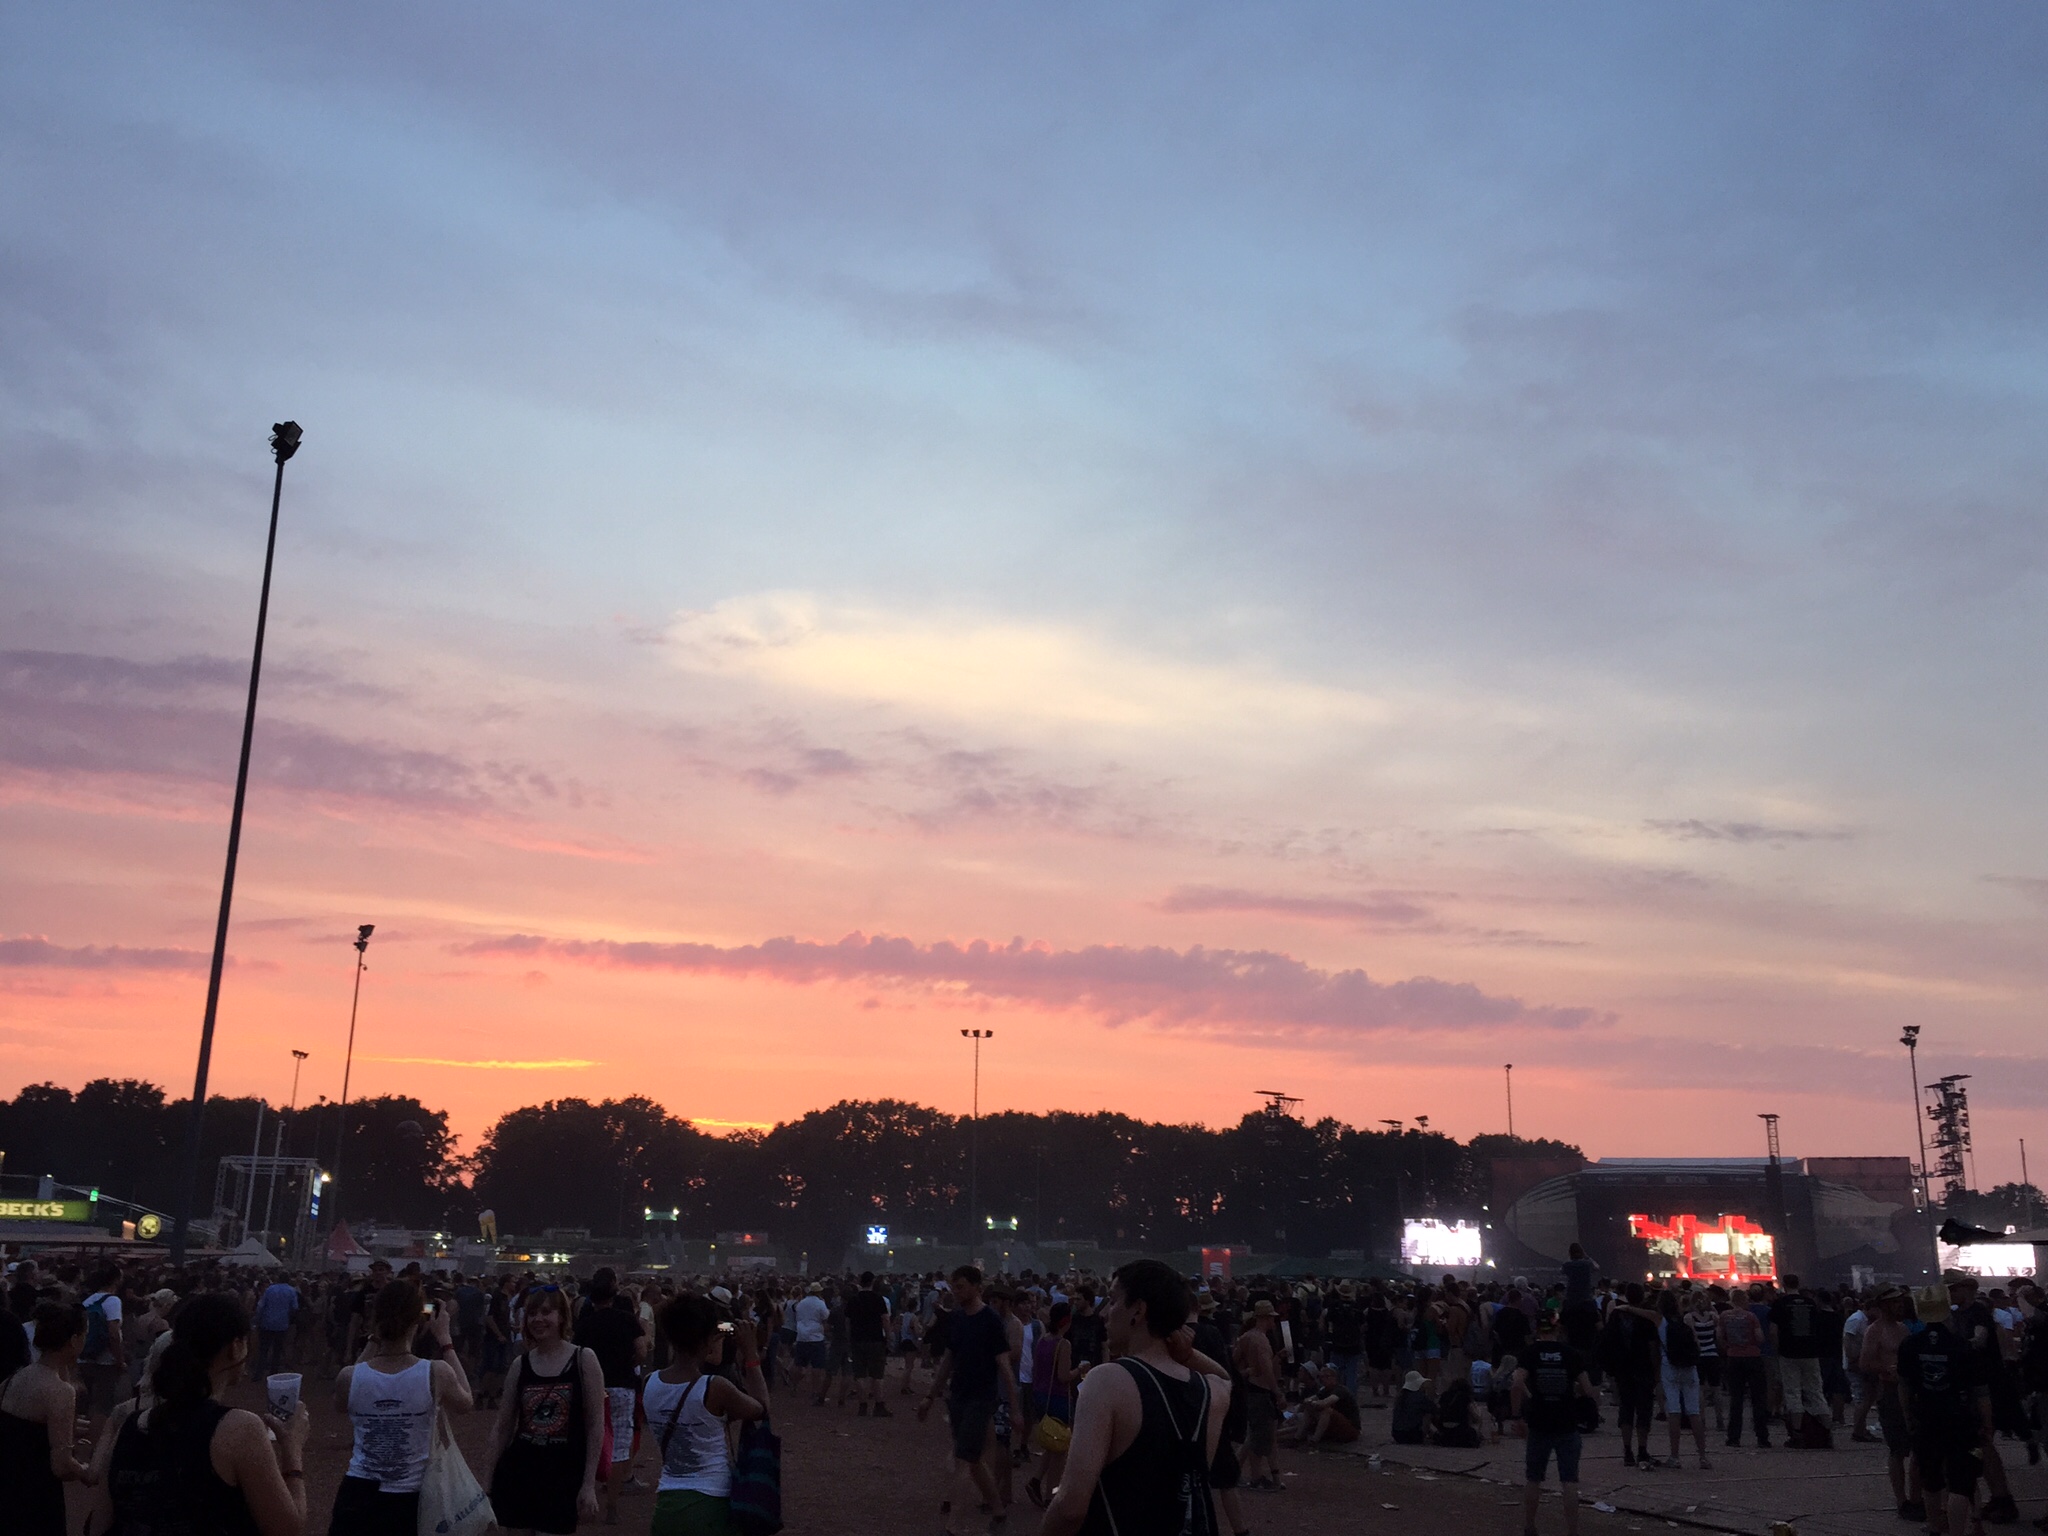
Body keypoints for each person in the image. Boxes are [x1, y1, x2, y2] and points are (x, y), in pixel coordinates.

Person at [85, 1290, 311, 1536]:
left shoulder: (130, 1427)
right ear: (236, 1347)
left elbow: (97, 1526)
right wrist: (292, 1451)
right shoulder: (239, 1428)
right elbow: (287, 1530)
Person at [1040, 1258, 1224, 1536]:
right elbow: (1225, 1378)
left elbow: (1070, 1507)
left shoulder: (1106, 1381)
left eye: (1113, 1301)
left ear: (1138, 1310)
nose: (1105, 1313)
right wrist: (1187, 1356)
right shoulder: (1210, 1391)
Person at [330, 1277, 473, 1534]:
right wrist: (446, 1341)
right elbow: (466, 1403)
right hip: (410, 1496)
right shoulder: (436, 1372)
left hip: (357, 1493)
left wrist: (375, 1337)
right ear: (418, 1320)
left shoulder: (348, 1377)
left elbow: (344, 1401)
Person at [642, 1294, 768, 1536]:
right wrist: (751, 1353)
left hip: (668, 1502)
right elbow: (761, 1408)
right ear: (708, 1339)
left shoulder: (650, 1382)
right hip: (711, 1501)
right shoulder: (715, 1387)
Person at [489, 1284, 607, 1534]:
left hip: (563, 1476)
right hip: (519, 1472)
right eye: (532, 1313)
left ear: (562, 1316)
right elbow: (502, 1427)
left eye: (546, 1312)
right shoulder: (520, 1365)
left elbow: (596, 1424)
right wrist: (487, 1482)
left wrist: (588, 1484)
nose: (538, 1320)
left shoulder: (584, 1359)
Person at [917, 1264, 1026, 1536]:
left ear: (977, 1287)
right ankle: (999, 1513)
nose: (956, 1291)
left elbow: (1004, 1366)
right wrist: (930, 1396)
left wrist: (1015, 1408)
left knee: (964, 1458)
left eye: (961, 1286)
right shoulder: (957, 1318)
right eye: (954, 1287)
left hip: (981, 1397)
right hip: (959, 1396)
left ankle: (954, 1524)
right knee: (973, 1459)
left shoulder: (990, 1320)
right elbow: (948, 1360)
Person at [1897, 1284, 1991, 1536]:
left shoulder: (1910, 1344)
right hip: (1960, 1419)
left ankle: (1935, 1528)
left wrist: (1908, 1416)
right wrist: (1987, 1423)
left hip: (1925, 1417)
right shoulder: (1963, 1346)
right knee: (1960, 1483)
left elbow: (1904, 1386)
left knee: (1931, 1479)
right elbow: (1980, 1392)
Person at [2, 1301, 95, 1535]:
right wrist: (85, 1471)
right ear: (74, 1340)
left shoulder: (13, 1379)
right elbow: (61, 1465)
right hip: (35, 1495)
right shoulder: (59, 1391)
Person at [573, 1268, 648, 1524]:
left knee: (587, 1440)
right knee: (619, 1446)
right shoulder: (626, 1319)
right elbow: (641, 1350)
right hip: (622, 1386)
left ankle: (586, 1495)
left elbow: (577, 1356)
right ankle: (612, 1506)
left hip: (592, 1387)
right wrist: (628, 1364)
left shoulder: (585, 1324)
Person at [1514, 1312, 1595, 1536]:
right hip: (1566, 1421)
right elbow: (1588, 1389)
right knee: (1569, 1480)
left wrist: (1518, 1413)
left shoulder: (1530, 1353)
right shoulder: (1571, 1354)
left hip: (1539, 1421)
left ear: (1537, 1330)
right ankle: (1572, 1531)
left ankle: (1530, 1525)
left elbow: (1517, 1382)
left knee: (1534, 1478)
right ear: (1558, 1329)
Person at [1601, 1283, 1661, 1468]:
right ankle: (1642, 1450)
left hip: (1622, 1367)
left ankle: (1627, 1451)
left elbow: (1608, 1340)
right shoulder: (1646, 1317)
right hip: (1643, 1366)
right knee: (1644, 1410)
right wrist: (1656, 1371)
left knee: (1626, 1408)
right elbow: (1653, 1346)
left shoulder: (1616, 1315)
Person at [1767, 1275, 1829, 1448]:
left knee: (1793, 1392)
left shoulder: (1780, 1304)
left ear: (1784, 1285)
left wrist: (1777, 1350)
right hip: (1810, 1352)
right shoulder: (1810, 1303)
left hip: (1789, 1352)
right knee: (1815, 1391)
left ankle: (1797, 1433)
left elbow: (1773, 1331)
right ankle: (1825, 1431)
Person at [1657, 1291, 1710, 1469]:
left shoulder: (1660, 1321)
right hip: (1689, 1367)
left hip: (1669, 1366)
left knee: (1674, 1411)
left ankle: (1675, 1456)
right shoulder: (1685, 1320)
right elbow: (1696, 1343)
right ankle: (1703, 1456)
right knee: (1694, 1411)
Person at [79, 1261, 130, 1431]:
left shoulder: (88, 1300)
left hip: (85, 1356)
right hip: (105, 1360)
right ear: (115, 1279)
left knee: (85, 1402)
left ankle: (82, 1436)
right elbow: (113, 1333)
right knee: (103, 1405)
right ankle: (96, 1439)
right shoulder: (113, 1300)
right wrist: (120, 1359)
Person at [1718, 1288, 1770, 1449]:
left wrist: (1728, 1347)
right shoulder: (1751, 1316)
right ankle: (1762, 1437)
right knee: (1758, 1398)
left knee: (1736, 1399)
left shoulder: (1724, 1316)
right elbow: (1760, 1337)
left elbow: (1719, 1336)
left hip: (1734, 1358)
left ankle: (1733, 1437)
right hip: (1753, 1357)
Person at [844, 1271, 892, 1416]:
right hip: (875, 1339)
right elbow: (885, 1319)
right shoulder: (878, 1299)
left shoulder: (853, 1299)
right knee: (877, 1375)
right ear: (872, 1282)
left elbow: (847, 1322)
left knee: (859, 1374)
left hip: (857, 1339)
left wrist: (849, 1337)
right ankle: (879, 1405)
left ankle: (863, 1405)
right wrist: (888, 1336)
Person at [1281, 1363, 1360, 1447]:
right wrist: (1309, 1403)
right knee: (1309, 1410)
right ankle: (1296, 1438)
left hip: (1350, 1428)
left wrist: (1312, 1403)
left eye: (1327, 1376)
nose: (1323, 1379)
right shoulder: (1324, 1390)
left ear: (1335, 1377)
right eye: (1322, 1376)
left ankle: (1314, 1441)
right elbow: (1308, 1400)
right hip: (1331, 1425)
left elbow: (1326, 1402)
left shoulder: (1340, 1390)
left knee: (1326, 1410)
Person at [790, 1282, 830, 1405]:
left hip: (801, 1336)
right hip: (816, 1337)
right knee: (817, 1367)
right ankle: (815, 1391)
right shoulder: (820, 1303)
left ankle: (794, 1386)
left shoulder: (801, 1303)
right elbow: (826, 1317)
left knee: (799, 1364)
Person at [254, 1275, 300, 1379]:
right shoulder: (291, 1291)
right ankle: (273, 1373)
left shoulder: (270, 1289)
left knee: (264, 1349)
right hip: (282, 1324)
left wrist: (257, 1319)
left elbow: (260, 1306)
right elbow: (295, 1307)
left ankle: (259, 1373)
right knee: (277, 1350)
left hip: (267, 1323)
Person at [1390, 1369, 1433, 1444]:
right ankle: (1427, 1434)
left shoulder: (1400, 1397)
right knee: (1428, 1413)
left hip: (1397, 1435)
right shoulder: (1421, 1397)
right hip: (1413, 1436)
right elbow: (1434, 1410)